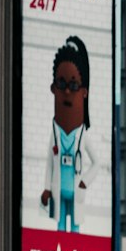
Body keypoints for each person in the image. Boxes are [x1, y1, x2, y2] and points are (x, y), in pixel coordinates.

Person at [40, 35, 98, 232]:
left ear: (83, 92)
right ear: (53, 88)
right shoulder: (54, 133)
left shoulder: (83, 136)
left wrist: (84, 182)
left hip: (76, 190)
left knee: (74, 226)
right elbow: (49, 162)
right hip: (58, 189)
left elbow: (97, 162)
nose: (66, 93)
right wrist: (47, 187)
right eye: (61, 85)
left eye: (73, 86)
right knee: (60, 225)